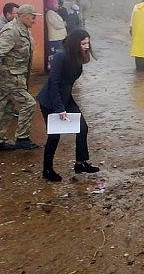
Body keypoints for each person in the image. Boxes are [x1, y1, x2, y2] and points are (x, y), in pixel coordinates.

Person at [36, 29, 100, 181]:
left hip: (65, 97)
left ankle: (80, 162)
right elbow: (54, 83)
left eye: (88, 43)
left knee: (82, 127)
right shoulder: (60, 56)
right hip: (50, 101)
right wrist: (59, 108)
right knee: (54, 137)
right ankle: (47, 170)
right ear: (75, 43)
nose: (86, 46)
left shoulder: (76, 57)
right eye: (83, 43)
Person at [0, 4, 41, 152]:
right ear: (23, 16)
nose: (35, 20)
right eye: (33, 17)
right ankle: (22, 138)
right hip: (10, 77)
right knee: (29, 104)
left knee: (5, 108)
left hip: (16, 76)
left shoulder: (24, 30)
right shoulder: (12, 31)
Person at [46, 2, 67, 71]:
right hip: (55, 38)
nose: (58, 5)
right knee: (54, 56)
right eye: (56, 3)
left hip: (59, 38)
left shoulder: (54, 13)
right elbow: (57, 25)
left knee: (58, 55)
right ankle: (53, 70)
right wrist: (64, 23)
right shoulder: (50, 13)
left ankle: (57, 69)